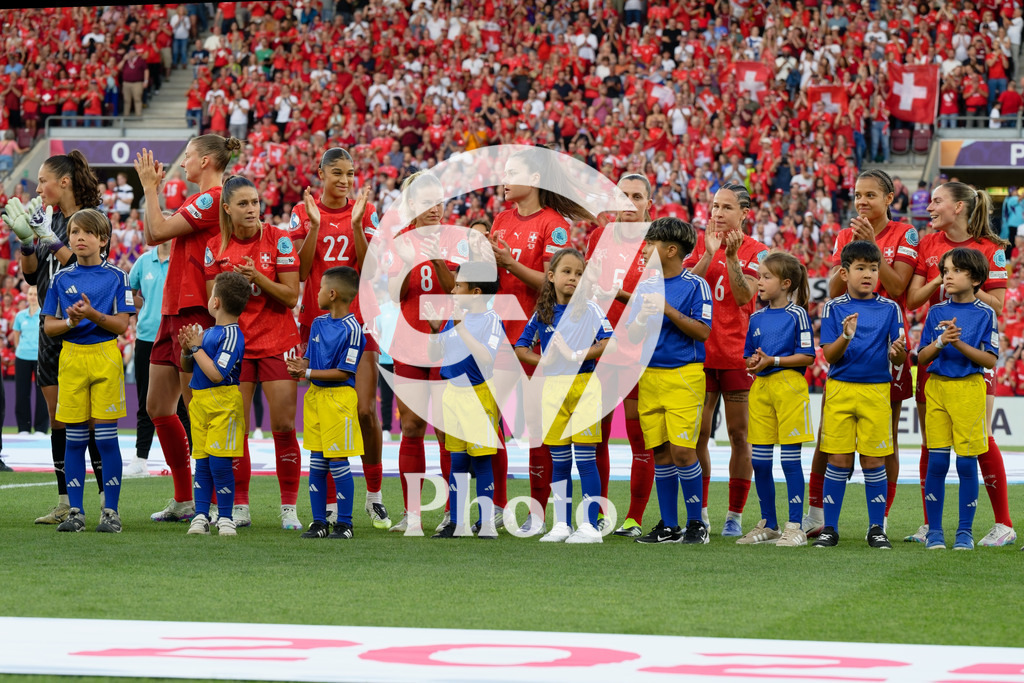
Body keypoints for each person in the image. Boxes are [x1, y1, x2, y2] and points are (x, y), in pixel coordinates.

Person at [803, 169, 918, 536]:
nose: (862, 201)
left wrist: (875, 250)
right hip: (849, 337)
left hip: (886, 340)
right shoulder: (843, 235)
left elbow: (898, 286)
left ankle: (880, 519)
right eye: (857, 195)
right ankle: (817, 514)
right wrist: (853, 251)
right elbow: (835, 288)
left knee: (885, 440)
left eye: (871, 195)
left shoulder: (904, 234)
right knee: (828, 436)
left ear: (889, 198)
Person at [489, 149, 596, 536]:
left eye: (512, 172)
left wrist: (510, 264)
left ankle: (539, 511)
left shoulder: (554, 226)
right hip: (498, 333)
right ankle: (498, 506)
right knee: (495, 423)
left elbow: (556, 284)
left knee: (538, 428)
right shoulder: (501, 219)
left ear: (533, 178)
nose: (503, 178)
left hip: (536, 335)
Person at [134, 135, 240, 523]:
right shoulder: (200, 199)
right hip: (173, 307)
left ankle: (212, 501)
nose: (184, 162)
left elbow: (158, 231)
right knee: (158, 406)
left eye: (190, 156)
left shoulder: (213, 198)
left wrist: (149, 188)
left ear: (208, 160)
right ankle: (184, 499)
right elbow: (151, 235)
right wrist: (152, 193)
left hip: (194, 307)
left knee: (199, 409)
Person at [906, 181, 1014, 547]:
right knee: (932, 444)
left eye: (937, 201)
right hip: (935, 354)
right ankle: (929, 524)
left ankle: (1003, 522)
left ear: (959, 208)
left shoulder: (991, 248)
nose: (929, 206)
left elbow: (998, 306)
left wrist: (966, 278)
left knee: (979, 440)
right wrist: (943, 275)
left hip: (970, 363)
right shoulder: (928, 244)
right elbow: (913, 299)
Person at [7, 152, 107, 525]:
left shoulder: (91, 219)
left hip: (84, 329)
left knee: (92, 421)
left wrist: (48, 236)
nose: (38, 189)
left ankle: (102, 500)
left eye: (43, 181)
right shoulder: (47, 219)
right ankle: (66, 500)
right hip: (50, 328)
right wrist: (27, 242)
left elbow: (86, 269)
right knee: (59, 419)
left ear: (63, 182)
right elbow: (33, 277)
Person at [291, 147, 389, 530]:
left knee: (365, 410)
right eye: (338, 173)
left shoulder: (365, 212)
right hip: (316, 324)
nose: (346, 180)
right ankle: (330, 505)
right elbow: (299, 271)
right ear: (321, 173)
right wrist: (315, 226)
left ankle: (375, 496)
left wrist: (356, 226)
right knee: (324, 411)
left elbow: (372, 269)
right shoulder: (304, 212)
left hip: (361, 320)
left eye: (350, 174)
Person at [205, 174, 303, 529]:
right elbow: (210, 303)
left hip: (278, 340)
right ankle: (241, 505)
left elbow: (291, 296)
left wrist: (256, 278)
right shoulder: (215, 247)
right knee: (238, 428)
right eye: (243, 204)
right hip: (236, 346)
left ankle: (289, 507)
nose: (252, 210)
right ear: (227, 208)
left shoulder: (279, 239)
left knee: (282, 425)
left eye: (256, 203)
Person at [41, 208, 135, 533]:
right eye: (74, 233)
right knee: (75, 439)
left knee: (107, 439)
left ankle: (111, 512)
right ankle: (76, 513)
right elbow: (50, 327)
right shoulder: (60, 278)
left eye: (87, 233)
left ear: (103, 239)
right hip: (72, 358)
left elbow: (122, 325)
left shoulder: (117, 277)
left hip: (105, 356)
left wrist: (92, 314)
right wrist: (70, 321)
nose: (79, 238)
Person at [684, 182, 769, 537]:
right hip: (699, 355)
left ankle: (734, 515)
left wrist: (731, 257)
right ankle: (701, 512)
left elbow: (742, 296)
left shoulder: (759, 252)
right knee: (698, 434)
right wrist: (708, 254)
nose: (717, 213)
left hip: (737, 355)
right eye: (714, 206)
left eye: (726, 207)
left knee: (739, 435)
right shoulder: (699, 246)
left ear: (744, 214)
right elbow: (683, 290)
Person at [514, 248, 615, 543]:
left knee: (585, 458)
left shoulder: (591, 309)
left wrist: (578, 354)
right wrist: (544, 362)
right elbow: (521, 347)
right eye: (567, 272)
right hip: (552, 389)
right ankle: (561, 524)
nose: (573, 278)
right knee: (559, 460)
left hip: (584, 387)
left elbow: (609, 341)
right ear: (551, 276)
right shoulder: (542, 313)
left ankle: (589, 526)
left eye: (579, 274)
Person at [813, 240, 906, 549]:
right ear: (845, 272)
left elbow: (899, 357)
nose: (868, 274)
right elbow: (830, 356)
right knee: (837, 460)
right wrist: (846, 336)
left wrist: (897, 353)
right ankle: (830, 528)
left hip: (877, 391)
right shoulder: (833, 307)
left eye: (874, 268)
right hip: (840, 389)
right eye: (861, 268)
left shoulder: (890, 308)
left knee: (873, 461)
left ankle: (876, 528)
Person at [627, 217, 713, 545]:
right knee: (660, 452)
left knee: (682, 450)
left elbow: (703, 332)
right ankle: (669, 525)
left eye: (652, 244)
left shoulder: (695, 285)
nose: (646, 249)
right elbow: (634, 334)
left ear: (671, 250)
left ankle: (696, 524)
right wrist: (642, 319)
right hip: (650, 375)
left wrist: (666, 310)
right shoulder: (646, 285)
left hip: (683, 375)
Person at [382, 172, 459, 534]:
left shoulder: (457, 240)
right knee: (411, 427)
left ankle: (451, 512)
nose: (435, 209)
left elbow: (461, 292)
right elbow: (393, 296)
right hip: (409, 344)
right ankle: (412, 514)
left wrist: (438, 260)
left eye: (439, 201)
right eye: (427, 202)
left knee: (447, 430)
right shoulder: (397, 243)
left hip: (447, 344)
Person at [584, 173, 656, 538]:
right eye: (623, 196)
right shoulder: (600, 237)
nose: (629, 203)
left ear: (648, 204)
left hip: (639, 351)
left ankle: (633, 517)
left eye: (636, 196)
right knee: (595, 435)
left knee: (638, 437)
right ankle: (596, 514)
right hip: (600, 348)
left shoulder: (658, 243)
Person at [916, 248, 999, 550]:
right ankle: (934, 532)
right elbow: (922, 357)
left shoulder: (985, 313)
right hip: (937, 388)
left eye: (955, 270)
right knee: (937, 460)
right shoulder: (936, 312)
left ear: (975, 278)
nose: (946, 276)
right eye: (945, 270)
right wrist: (940, 341)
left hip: (969, 390)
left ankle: (964, 532)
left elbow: (989, 361)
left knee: (966, 463)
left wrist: (958, 343)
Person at [738, 253, 815, 547]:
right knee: (759, 461)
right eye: (759, 275)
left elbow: (807, 356)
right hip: (761, 389)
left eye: (766, 277)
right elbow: (748, 356)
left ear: (785, 284)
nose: (759, 281)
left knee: (789, 460)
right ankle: (768, 523)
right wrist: (754, 361)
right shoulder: (756, 317)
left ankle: (794, 525)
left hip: (789, 388)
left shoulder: (797, 315)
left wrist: (774, 361)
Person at [426, 261, 505, 539]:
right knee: (457, 460)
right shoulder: (454, 318)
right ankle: (457, 523)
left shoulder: (491, 319)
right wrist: (436, 330)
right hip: (452, 393)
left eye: (458, 285)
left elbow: (486, 358)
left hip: (479, 395)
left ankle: (487, 524)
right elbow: (436, 356)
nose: (453, 289)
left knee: (482, 462)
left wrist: (459, 328)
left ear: (475, 292)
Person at [287, 266, 365, 540]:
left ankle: (345, 523)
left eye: (319, 288)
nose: (315, 292)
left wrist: (306, 373)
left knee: (338, 461)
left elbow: (345, 372)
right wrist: (300, 366)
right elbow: (309, 359)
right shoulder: (318, 324)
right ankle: (319, 522)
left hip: (339, 400)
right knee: (318, 463)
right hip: (316, 398)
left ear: (332, 294)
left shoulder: (354, 330)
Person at [180, 271, 250, 537]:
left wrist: (197, 350)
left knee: (220, 463)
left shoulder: (232, 335)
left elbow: (217, 374)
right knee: (203, 461)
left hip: (224, 404)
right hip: (200, 402)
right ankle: (200, 515)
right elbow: (188, 366)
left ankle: (225, 518)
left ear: (216, 302)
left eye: (211, 295)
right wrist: (186, 350)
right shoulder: (207, 333)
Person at [125, 235, 191, 478]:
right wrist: (143, 303)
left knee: (183, 403)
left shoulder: (182, 258)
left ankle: (190, 457)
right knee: (145, 401)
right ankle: (141, 458)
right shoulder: (143, 262)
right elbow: (127, 292)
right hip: (147, 336)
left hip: (178, 337)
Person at [11, 285, 49, 434]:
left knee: (42, 394)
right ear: (26, 296)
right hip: (22, 357)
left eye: (35, 294)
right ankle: (23, 427)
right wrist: (20, 348)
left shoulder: (45, 314)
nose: (32, 296)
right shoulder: (20, 315)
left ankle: (40, 428)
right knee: (21, 393)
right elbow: (16, 336)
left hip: (40, 358)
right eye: (30, 294)